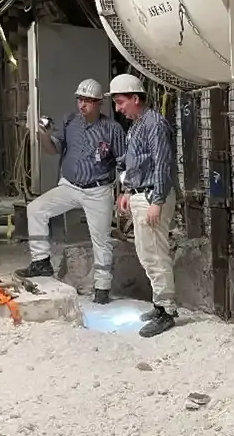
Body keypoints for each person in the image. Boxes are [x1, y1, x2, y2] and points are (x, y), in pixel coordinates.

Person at [15, 78, 126, 305]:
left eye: (88, 101)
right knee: (36, 209)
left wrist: (125, 191)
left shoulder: (112, 129)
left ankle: (102, 287)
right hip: (70, 186)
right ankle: (41, 261)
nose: (82, 105)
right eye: (80, 100)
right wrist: (43, 134)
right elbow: (52, 150)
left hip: (98, 190)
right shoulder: (69, 122)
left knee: (101, 239)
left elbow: (124, 161)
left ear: (99, 103)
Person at [109, 72, 178, 338]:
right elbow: (137, 161)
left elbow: (162, 163)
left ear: (136, 99)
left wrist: (157, 200)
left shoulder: (154, 124)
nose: (118, 108)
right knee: (147, 253)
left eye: (121, 102)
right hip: (142, 193)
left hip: (152, 196)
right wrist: (127, 190)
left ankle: (167, 310)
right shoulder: (138, 124)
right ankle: (159, 304)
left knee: (156, 254)